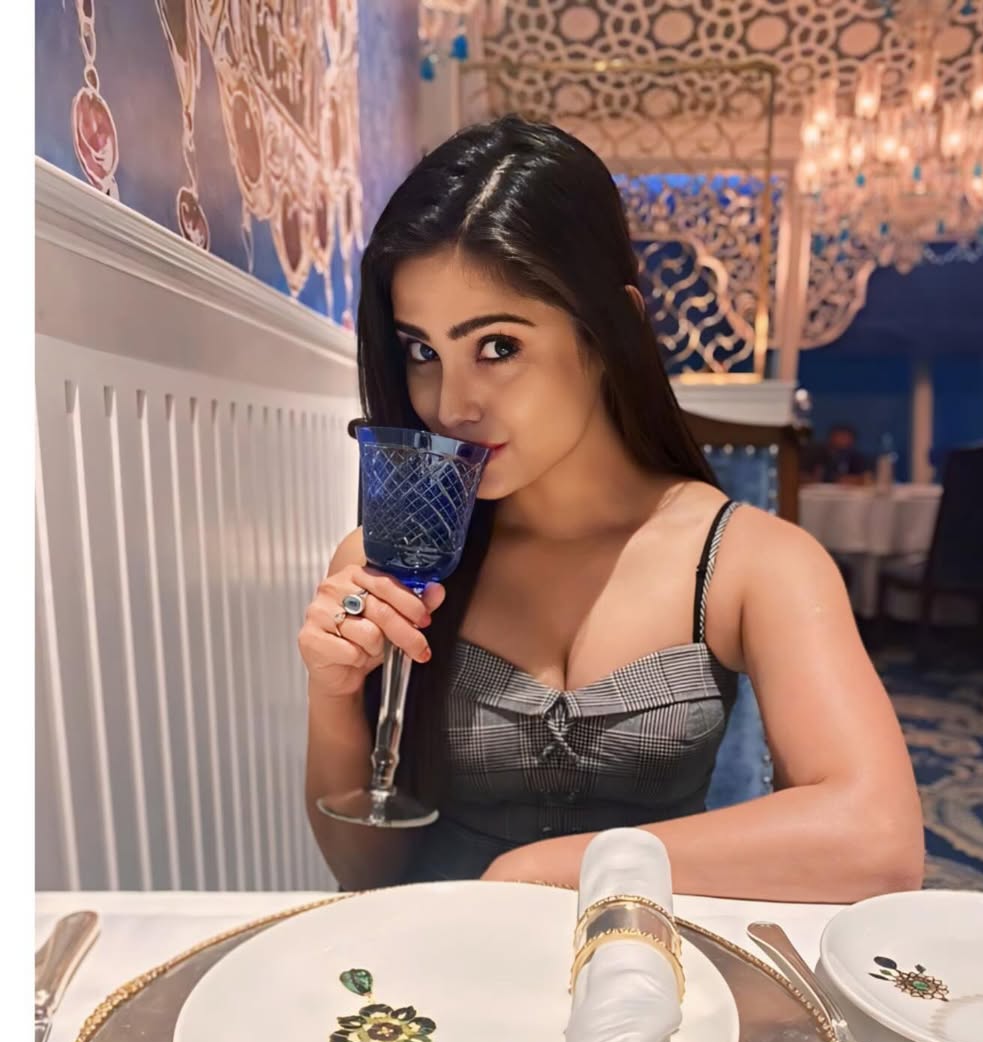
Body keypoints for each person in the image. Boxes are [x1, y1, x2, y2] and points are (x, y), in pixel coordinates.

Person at [298, 116, 923, 903]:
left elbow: (879, 842)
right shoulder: (389, 563)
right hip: (437, 961)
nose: (451, 405)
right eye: (423, 351)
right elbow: (363, 874)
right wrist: (332, 693)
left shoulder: (751, 562)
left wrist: (542, 871)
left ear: (609, 331)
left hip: (641, 963)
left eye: (497, 346)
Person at [801, 424, 872, 485]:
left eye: (847, 437)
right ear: (831, 437)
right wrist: (835, 479)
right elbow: (805, 475)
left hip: (843, 492)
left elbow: (866, 476)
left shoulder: (853, 455)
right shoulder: (816, 451)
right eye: (841, 436)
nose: (844, 440)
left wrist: (855, 479)